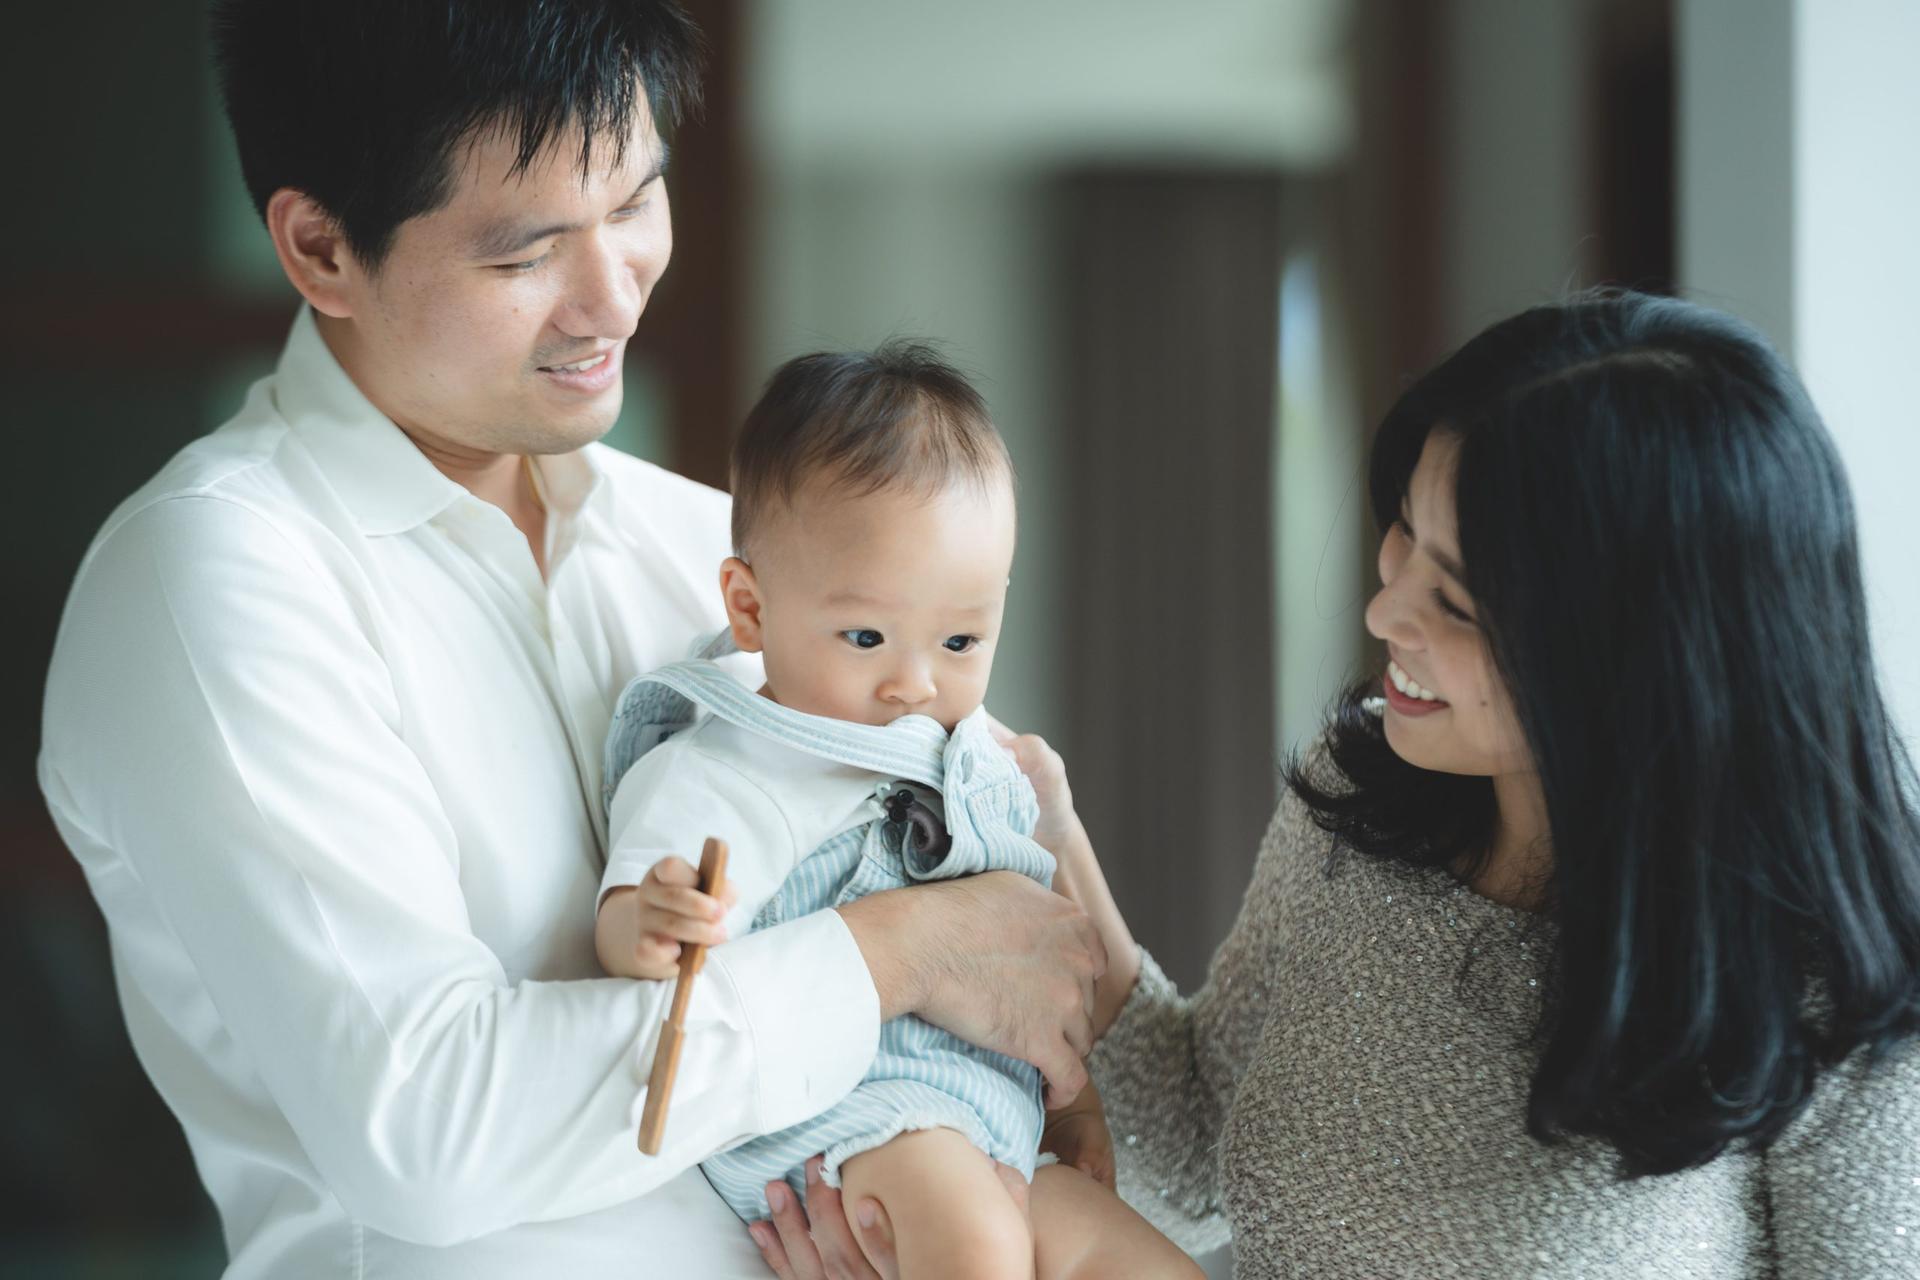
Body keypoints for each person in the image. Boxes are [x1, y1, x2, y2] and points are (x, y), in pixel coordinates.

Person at [35, 5, 1105, 1278]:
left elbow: (1024, 958)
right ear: (321, 247)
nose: (612, 297)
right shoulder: (217, 575)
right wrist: (898, 958)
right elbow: (428, 1130)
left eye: (638, 202)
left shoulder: (717, 546)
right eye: (527, 252)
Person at [756, 290, 1920, 1279]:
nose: (1384, 612)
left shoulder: (1841, 1003)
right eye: (1404, 534)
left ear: (1640, 658)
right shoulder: (1362, 806)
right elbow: (1198, 1135)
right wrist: (1049, 844)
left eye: (1455, 601)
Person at [595, 344, 1201, 1278]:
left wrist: (1076, 1107)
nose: (913, 683)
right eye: (867, 636)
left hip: (993, 1123)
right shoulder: (741, 764)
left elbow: (1048, 984)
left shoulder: (983, 772)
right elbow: (636, 925)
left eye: (960, 639)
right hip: (849, 1116)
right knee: (979, 1250)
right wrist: (651, 921)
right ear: (750, 609)